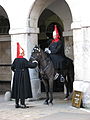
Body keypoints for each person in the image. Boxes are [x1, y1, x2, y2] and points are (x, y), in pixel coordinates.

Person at [11, 42, 38, 108]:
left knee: (17, 89)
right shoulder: (24, 60)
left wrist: (17, 71)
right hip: (23, 76)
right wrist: (35, 63)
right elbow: (30, 65)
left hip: (16, 76)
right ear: (22, 53)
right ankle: (22, 104)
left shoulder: (15, 60)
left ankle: (17, 104)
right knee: (22, 89)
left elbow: (12, 67)